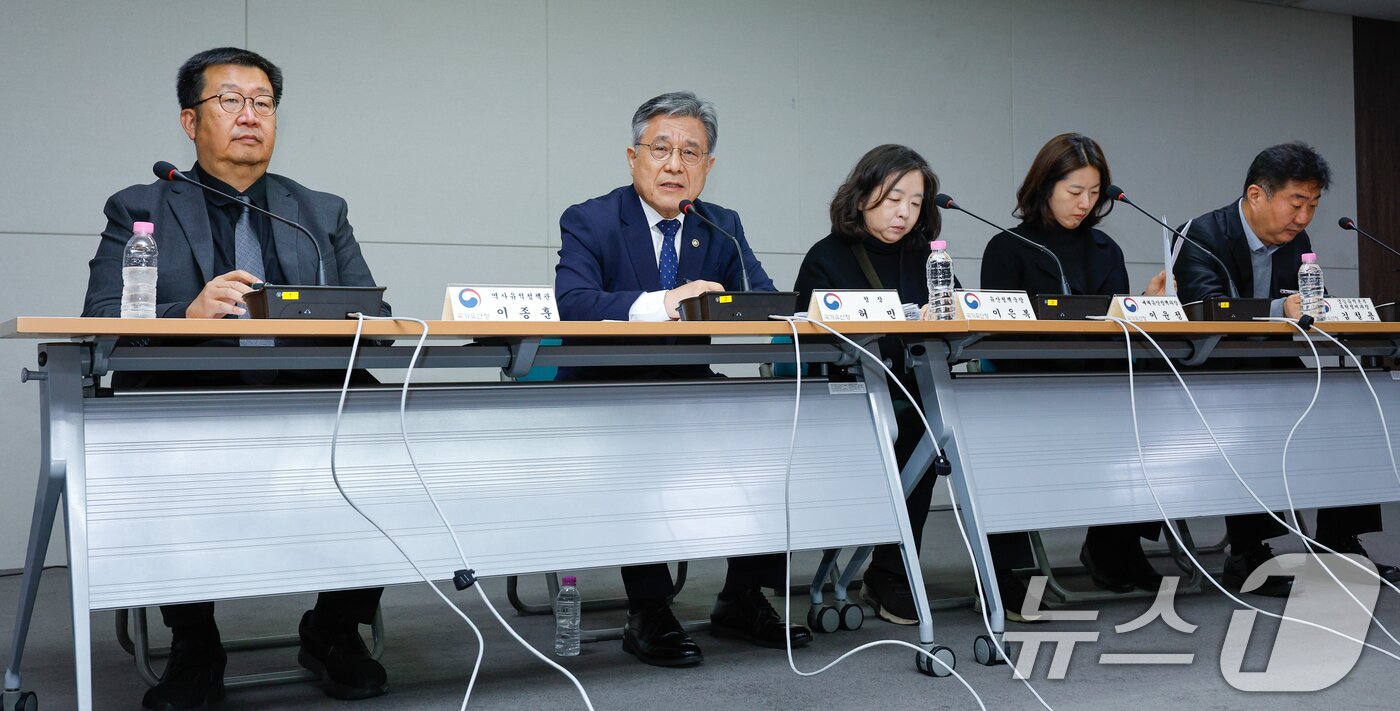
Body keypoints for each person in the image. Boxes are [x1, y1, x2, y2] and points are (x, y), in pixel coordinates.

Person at [81, 47, 389, 709]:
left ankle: (334, 630)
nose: (250, 115)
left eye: (264, 103)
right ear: (191, 123)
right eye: (230, 101)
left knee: (380, 423)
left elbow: (377, 314)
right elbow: (101, 318)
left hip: (304, 395)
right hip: (187, 395)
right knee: (151, 435)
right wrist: (184, 313)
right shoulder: (139, 207)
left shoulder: (319, 209)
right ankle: (194, 641)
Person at [554, 91, 812, 667]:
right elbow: (573, 303)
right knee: (638, 452)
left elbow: (763, 302)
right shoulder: (591, 218)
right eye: (661, 149)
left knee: (774, 435)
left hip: (689, 383)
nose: (675, 165)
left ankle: (741, 596)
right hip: (608, 386)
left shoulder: (721, 227)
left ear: (708, 167)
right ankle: (647, 609)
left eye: (691, 153)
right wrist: (665, 302)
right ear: (632, 156)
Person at [1174, 141, 1399, 596]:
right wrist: (1281, 307)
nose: (1303, 218)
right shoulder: (1200, 235)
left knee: (1349, 407)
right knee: (1255, 420)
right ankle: (1249, 552)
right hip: (1211, 367)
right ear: (1257, 195)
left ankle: (1340, 544)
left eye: (1312, 206)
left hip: (1273, 361)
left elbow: (1308, 304)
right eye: (1296, 203)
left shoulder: (1299, 241)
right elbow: (1204, 309)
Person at [980, 133, 1170, 606]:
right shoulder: (1009, 248)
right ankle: (1011, 568)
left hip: (1097, 383)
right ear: (1045, 186)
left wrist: (1145, 307)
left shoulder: (1105, 248)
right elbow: (997, 333)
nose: (1084, 203)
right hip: (1028, 388)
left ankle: (1114, 547)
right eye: (1073, 192)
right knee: (1005, 442)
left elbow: (1117, 328)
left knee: (1146, 419)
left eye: (1093, 193)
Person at [792, 144, 945, 626]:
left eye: (916, 202)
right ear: (861, 197)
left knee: (932, 422)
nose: (905, 212)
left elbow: (952, 315)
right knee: (918, 423)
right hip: (846, 398)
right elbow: (806, 341)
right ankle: (891, 569)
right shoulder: (827, 257)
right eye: (893, 197)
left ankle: (894, 568)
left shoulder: (927, 258)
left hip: (911, 393)